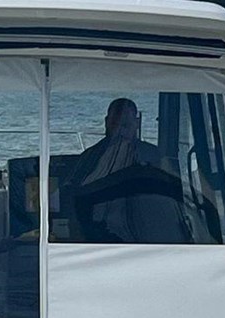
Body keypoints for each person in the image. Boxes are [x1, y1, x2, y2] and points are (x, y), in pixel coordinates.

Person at [63, 98, 182, 243]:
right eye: (115, 124)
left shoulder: (154, 155)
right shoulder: (89, 157)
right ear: (106, 122)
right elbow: (71, 195)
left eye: (125, 124)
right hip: (99, 232)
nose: (120, 130)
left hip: (148, 232)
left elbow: (173, 193)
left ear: (136, 123)